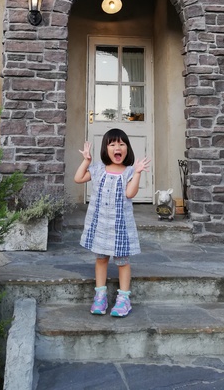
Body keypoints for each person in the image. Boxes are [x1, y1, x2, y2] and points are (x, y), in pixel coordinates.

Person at [74, 128, 151, 317]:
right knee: (101, 259)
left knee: (123, 262)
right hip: (101, 226)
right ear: (105, 149)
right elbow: (78, 178)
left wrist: (138, 173)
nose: (118, 147)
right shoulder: (98, 169)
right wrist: (86, 161)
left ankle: (124, 299)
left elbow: (130, 193)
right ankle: (100, 296)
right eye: (113, 144)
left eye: (122, 144)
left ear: (127, 149)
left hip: (120, 227)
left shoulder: (129, 171)